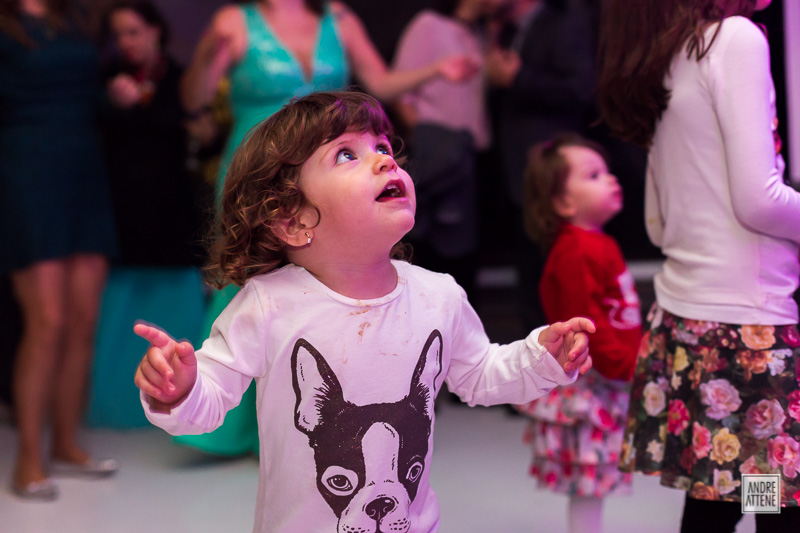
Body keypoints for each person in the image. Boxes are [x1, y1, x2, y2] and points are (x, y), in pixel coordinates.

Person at [133, 90, 595, 532]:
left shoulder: (439, 296)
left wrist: (541, 357)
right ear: (293, 220)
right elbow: (209, 403)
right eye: (346, 155)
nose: (386, 158)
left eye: (382, 146)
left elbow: (479, 373)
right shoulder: (267, 305)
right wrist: (180, 390)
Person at [173, 0, 477, 457]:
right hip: (265, 176)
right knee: (254, 290)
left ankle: (326, 421)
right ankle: (238, 421)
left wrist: (436, 69)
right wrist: (204, 59)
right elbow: (194, 100)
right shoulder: (233, 21)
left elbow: (381, 83)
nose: (388, 156)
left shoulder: (339, 18)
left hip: (336, 180)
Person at [597, 0, 800, 531]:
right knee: (768, 504)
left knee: (723, 498)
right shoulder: (734, 38)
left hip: (690, 322)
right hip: (750, 332)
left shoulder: (670, 51)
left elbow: (658, 224)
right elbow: (757, 201)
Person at [0, 0, 118, 500]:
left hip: (83, 164)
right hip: (25, 164)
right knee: (46, 321)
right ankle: (29, 457)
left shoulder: (75, 17)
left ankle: (67, 443)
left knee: (83, 318)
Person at [87, 0, 211, 429]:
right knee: (121, 312)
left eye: (134, 31)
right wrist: (113, 104)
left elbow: (201, 131)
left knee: (176, 307)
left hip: (172, 209)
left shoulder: (182, 79)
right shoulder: (104, 80)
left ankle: (183, 402)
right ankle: (116, 407)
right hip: (122, 210)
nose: (126, 42)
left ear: (157, 31)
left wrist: (203, 130)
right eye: (118, 34)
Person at [514, 134, 641, 533]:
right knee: (589, 479)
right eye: (594, 175)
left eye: (607, 171)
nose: (611, 179)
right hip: (594, 380)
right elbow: (585, 326)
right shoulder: (574, 251)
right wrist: (625, 365)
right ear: (563, 203)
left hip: (612, 374)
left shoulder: (597, 242)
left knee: (596, 480)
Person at [485, 0, 595, 331]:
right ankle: (540, 361)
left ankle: (572, 361)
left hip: (553, 170)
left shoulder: (563, 21)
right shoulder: (503, 30)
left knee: (560, 269)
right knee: (531, 269)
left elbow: (582, 90)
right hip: (516, 168)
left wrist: (519, 78)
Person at [392, 0, 500, 299]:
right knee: (432, 245)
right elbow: (401, 93)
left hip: (469, 154)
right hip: (437, 151)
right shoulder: (428, 24)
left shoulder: (478, 33)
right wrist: (426, 138)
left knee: (461, 251)